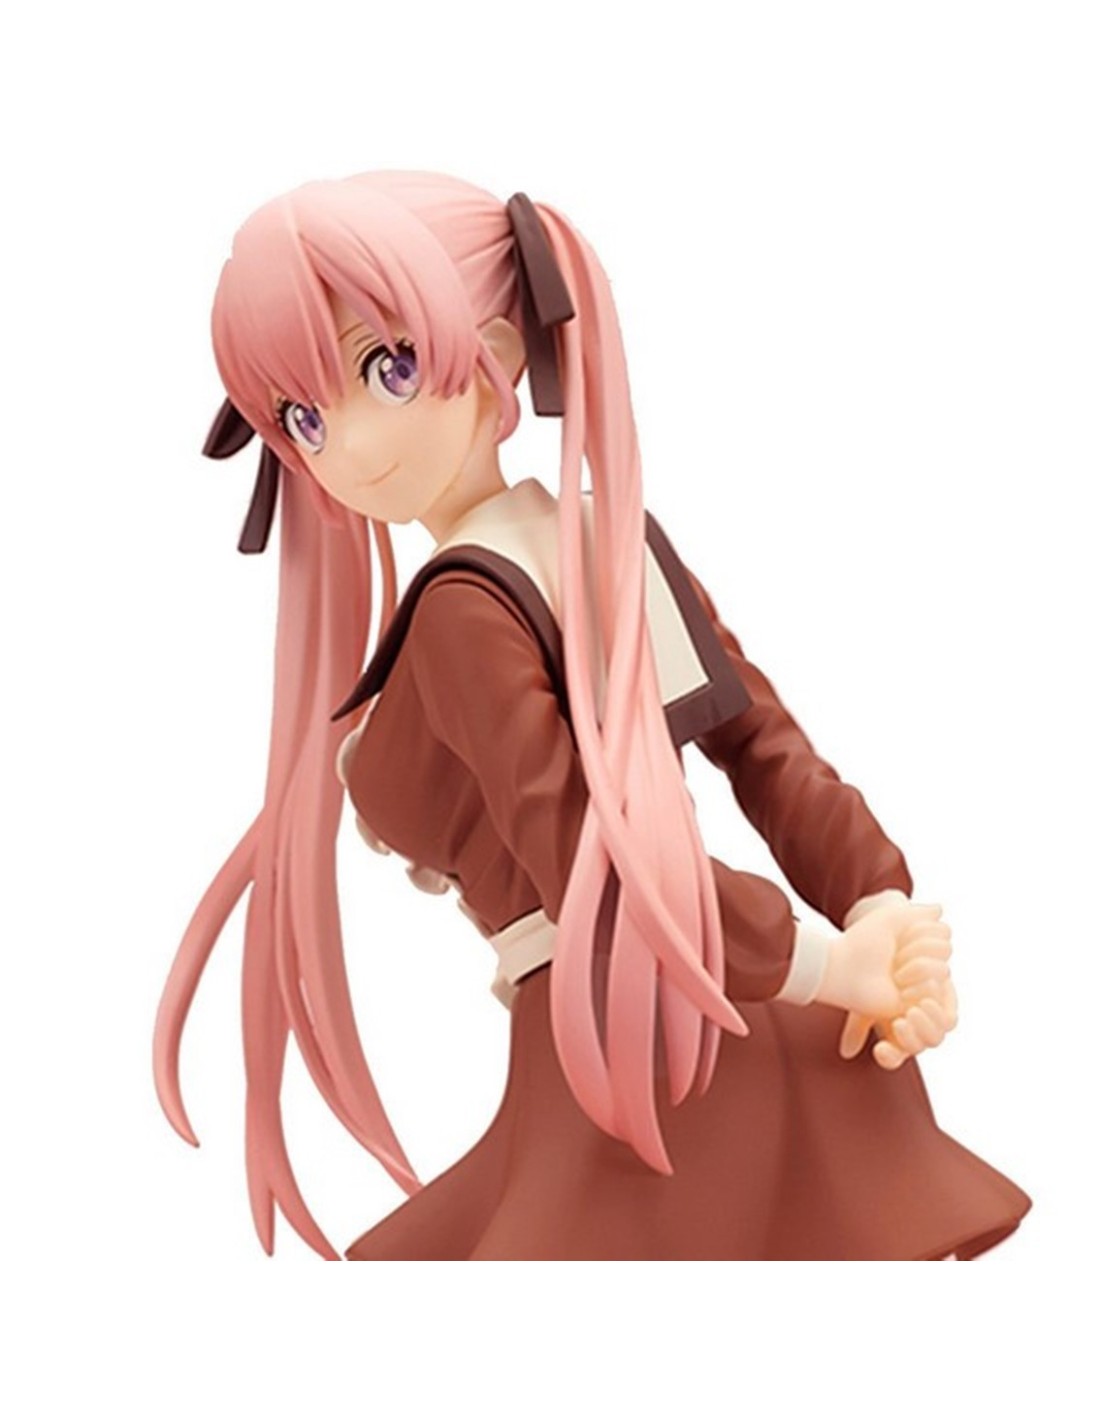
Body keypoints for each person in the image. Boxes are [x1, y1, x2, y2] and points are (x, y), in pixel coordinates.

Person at [154, 171, 1030, 1260]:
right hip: (717, 1011)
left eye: (388, 368)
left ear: (495, 352)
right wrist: (867, 920)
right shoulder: (597, 536)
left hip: (631, 1055)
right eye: (304, 416)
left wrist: (863, 944)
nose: (351, 446)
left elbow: (606, 860)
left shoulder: (466, 607)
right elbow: (759, 752)